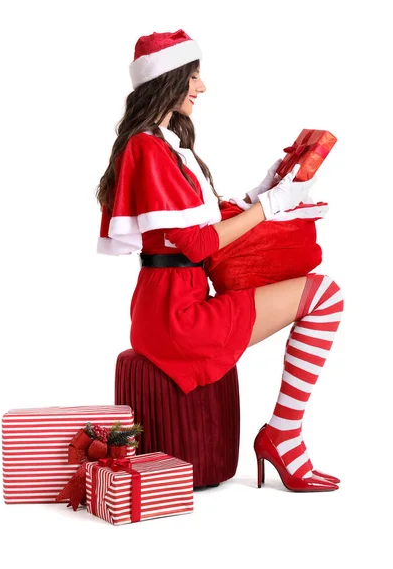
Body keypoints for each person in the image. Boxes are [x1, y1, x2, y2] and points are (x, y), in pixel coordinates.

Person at [95, 29, 344, 492]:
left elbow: (199, 221)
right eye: (193, 77)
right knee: (325, 295)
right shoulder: (149, 147)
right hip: (178, 318)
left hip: (168, 306)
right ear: (167, 80)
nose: (201, 87)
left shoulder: (164, 144)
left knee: (320, 291)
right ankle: (284, 434)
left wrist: (264, 189)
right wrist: (270, 208)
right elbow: (197, 244)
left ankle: (283, 435)